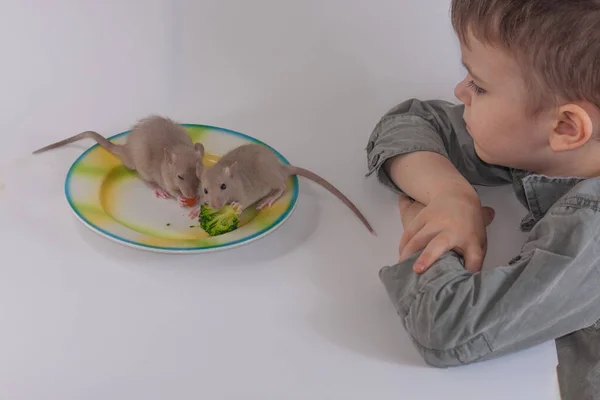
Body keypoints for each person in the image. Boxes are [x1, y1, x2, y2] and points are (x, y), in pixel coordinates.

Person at [365, 1, 600, 399]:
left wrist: (432, 234)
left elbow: (448, 327)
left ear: (564, 126)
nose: (460, 92)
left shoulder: (589, 237)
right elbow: (413, 122)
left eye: (479, 85)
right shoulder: (561, 147)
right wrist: (449, 196)